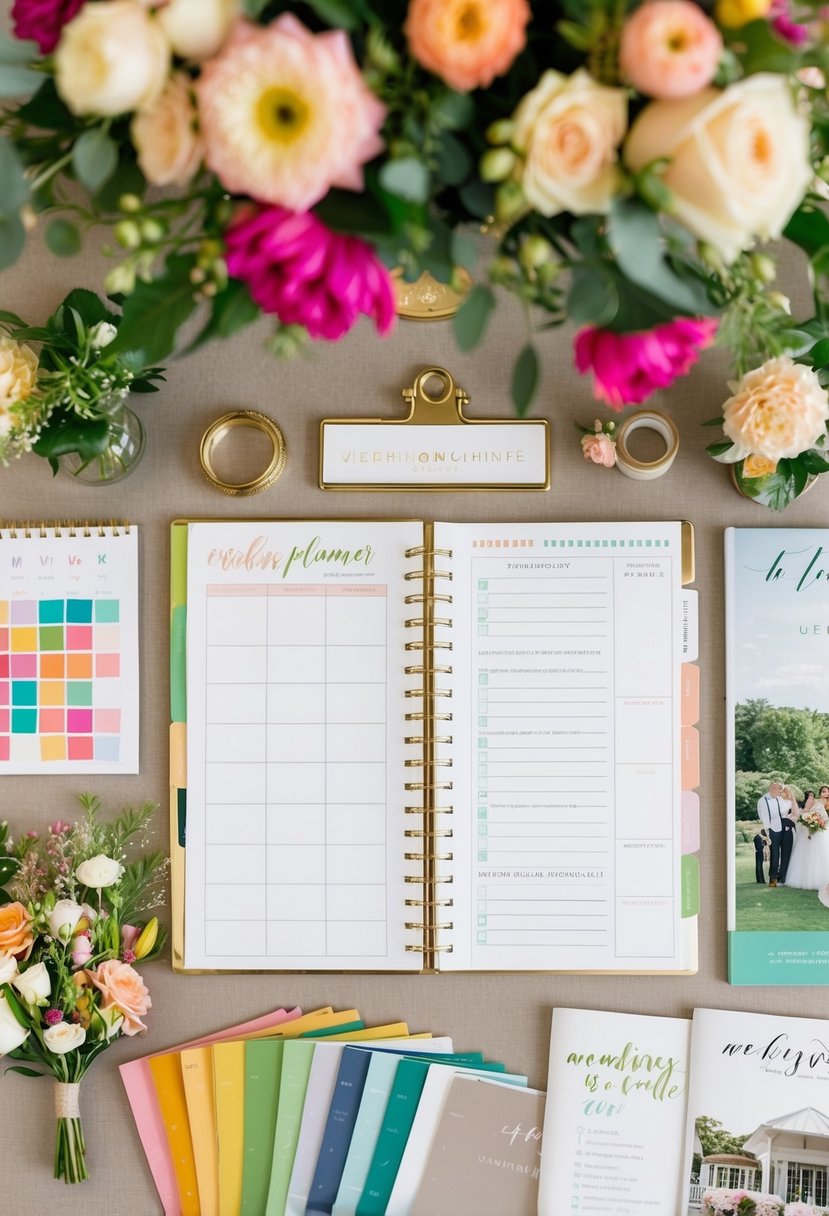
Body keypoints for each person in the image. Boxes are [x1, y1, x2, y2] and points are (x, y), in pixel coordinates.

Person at [786, 785, 829, 890]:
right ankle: (807, 879)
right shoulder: (815, 801)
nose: (826, 793)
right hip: (812, 830)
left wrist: (822, 822)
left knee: (823, 855)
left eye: (828, 792)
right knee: (809, 855)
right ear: (820, 793)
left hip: (823, 831)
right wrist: (810, 820)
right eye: (823, 791)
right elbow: (806, 811)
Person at [756, 782, 797, 887]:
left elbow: (789, 808)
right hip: (773, 830)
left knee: (786, 853)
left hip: (786, 829)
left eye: (779, 788)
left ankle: (782, 878)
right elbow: (763, 816)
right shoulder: (763, 800)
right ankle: (773, 880)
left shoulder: (780, 799)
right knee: (775, 854)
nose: (776, 790)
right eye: (774, 787)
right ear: (770, 788)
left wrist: (790, 795)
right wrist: (768, 832)